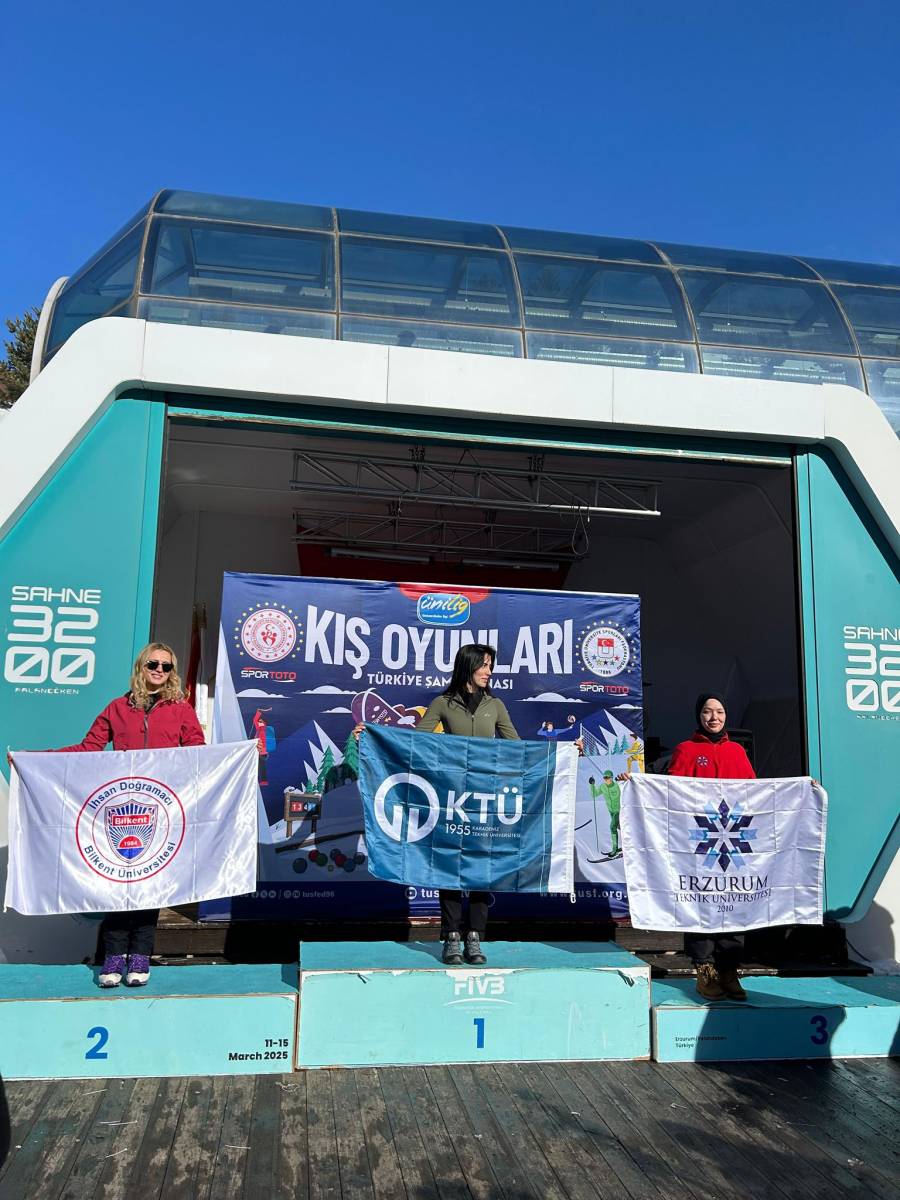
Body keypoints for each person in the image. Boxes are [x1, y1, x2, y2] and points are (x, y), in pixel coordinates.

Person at [50, 643, 205, 987]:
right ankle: (113, 956)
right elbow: (88, 748)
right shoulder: (117, 708)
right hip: (120, 809)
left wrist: (242, 754)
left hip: (159, 810)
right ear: (141, 667)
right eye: (153, 664)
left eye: (166, 666)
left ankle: (140, 957)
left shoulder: (181, 709)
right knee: (118, 882)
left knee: (150, 883)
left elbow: (198, 752)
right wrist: (37, 758)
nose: (159, 670)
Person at [414, 644, 519, 967]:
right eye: (484, 665)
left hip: (485, 800)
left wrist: (564, 752)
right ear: (467, 667)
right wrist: (371, 735)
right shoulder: (442, 703)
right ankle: (451, 937)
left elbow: (518, 747)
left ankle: (474, 935)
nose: (489, 671)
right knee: (449, 866)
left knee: (479, 868)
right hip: (451, 798)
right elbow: (415, 741)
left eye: (490, 665)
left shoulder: (495, 705)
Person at [669, 692, 755, 1002]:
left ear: (726, 715)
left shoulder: (737, 751)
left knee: (733, 900)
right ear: (699, 716)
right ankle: (704, 970)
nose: (714, 717)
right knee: (701, 902)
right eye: (707, 711)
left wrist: (802, 789)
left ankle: (729, 971)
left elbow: (757, 793)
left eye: (719, 711)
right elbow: (669, 791)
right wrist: (636, 784)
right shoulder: (686, 749)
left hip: (733, 842)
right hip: (700, 843)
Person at [587, 770, 621, 859]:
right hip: (611, 811)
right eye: (604, 778)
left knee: (612, 827)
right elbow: (594, 794)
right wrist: (592, 785)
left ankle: (615, 850)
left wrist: (621, 781)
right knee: (618, 827)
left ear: (611, 777)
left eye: (607, 777)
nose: (606, 779)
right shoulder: (603, 787)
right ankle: (621, 847)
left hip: (619, 811)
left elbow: (626, 790)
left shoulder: (617, 786)